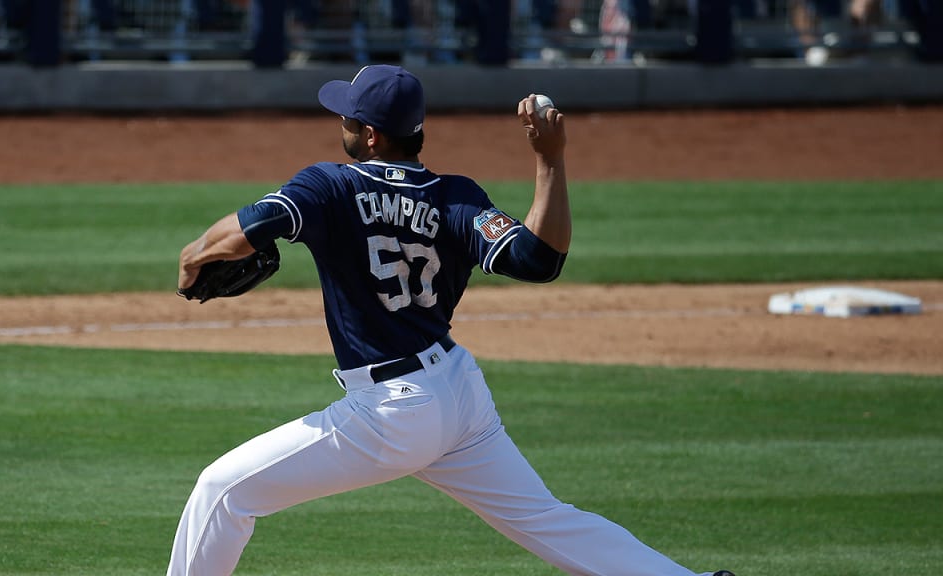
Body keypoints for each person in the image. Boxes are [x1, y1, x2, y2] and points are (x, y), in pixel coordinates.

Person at [168, 64, 736, 576]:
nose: (339, 120)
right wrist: (550, 159)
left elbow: (252, 227)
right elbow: (541, 261)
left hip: (391, 414)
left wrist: (194, 256)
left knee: (222, 491)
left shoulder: (330, 185)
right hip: (459, 397)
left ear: (369, 135)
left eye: (348, 113)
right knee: (546, 518)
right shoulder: (455, 197)